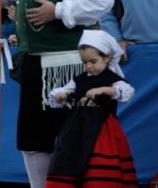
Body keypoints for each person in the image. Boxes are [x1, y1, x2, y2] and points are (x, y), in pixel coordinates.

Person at [5, 0, 113, 188]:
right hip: (38, 60)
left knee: (67, 139)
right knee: (31, 139)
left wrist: (59, 11)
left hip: (63, 62)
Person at [46, 30, 137, 187]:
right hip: (76, 130)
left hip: (102, 129)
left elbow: (127, 92)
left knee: (99, 163)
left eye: (93, 61)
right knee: (70, 160)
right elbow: (60, 92)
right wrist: (60, 95)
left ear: (106, 57)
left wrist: (104, 90)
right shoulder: (79, 80)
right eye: (84, 62)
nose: (88, 66)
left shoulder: (112, 79)